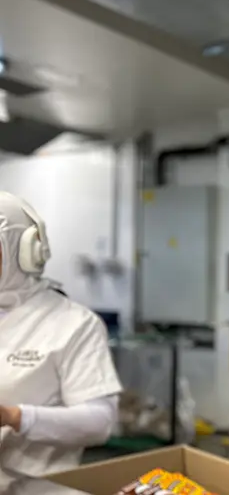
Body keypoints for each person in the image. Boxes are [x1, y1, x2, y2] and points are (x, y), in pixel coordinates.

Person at [0, 191, 122, 477]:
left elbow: (100, 422)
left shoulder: (73, 324)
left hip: (35, 487)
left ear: (24, 250)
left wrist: (16, 416)